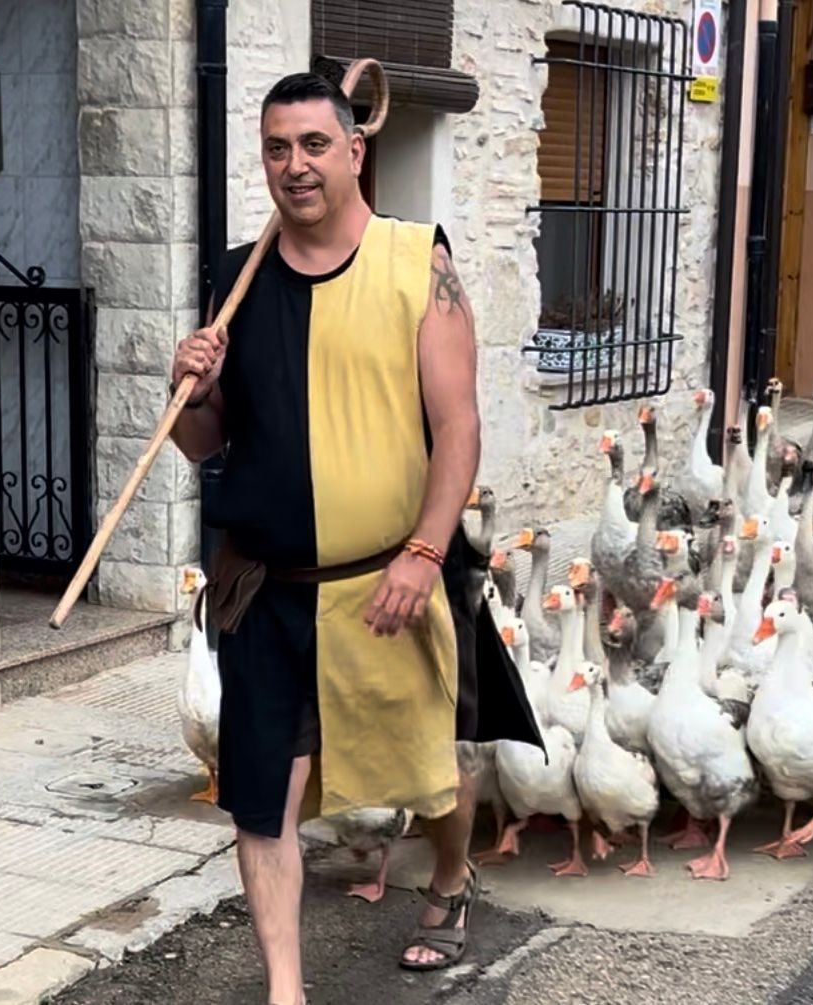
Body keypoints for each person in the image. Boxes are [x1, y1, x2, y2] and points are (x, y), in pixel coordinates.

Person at [169, 72, 539, 1005]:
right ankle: (284, 989)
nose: (294, 165)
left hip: (390, 581)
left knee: (431, 768)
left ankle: (448, 875)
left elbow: (457, 427)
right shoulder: (235, 279)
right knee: (261, 797)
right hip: (265, 589)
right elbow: (202, 443)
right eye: (276, 148)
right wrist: (192, 389)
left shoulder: (416, 261)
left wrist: (424, 551)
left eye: (313, 144)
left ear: (354, 150)